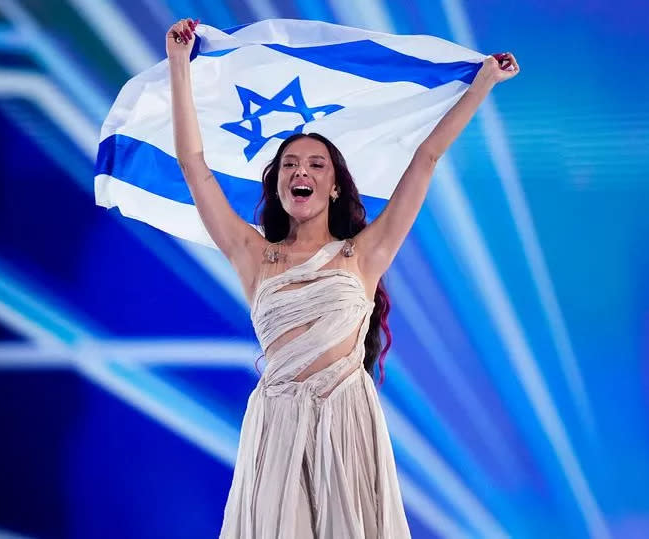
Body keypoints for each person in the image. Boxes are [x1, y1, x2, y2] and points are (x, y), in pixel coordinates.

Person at [166, 17, 519, 539]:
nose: (300, 172)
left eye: (315, 164)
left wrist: (482, 84)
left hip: (348, 426)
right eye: (288, 165)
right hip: (276, 432)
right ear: (280, 186)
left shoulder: (365, 253)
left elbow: (426, 158)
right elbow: (194, 166)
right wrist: (179, 63)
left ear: (333, 187)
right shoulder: (252, 253)